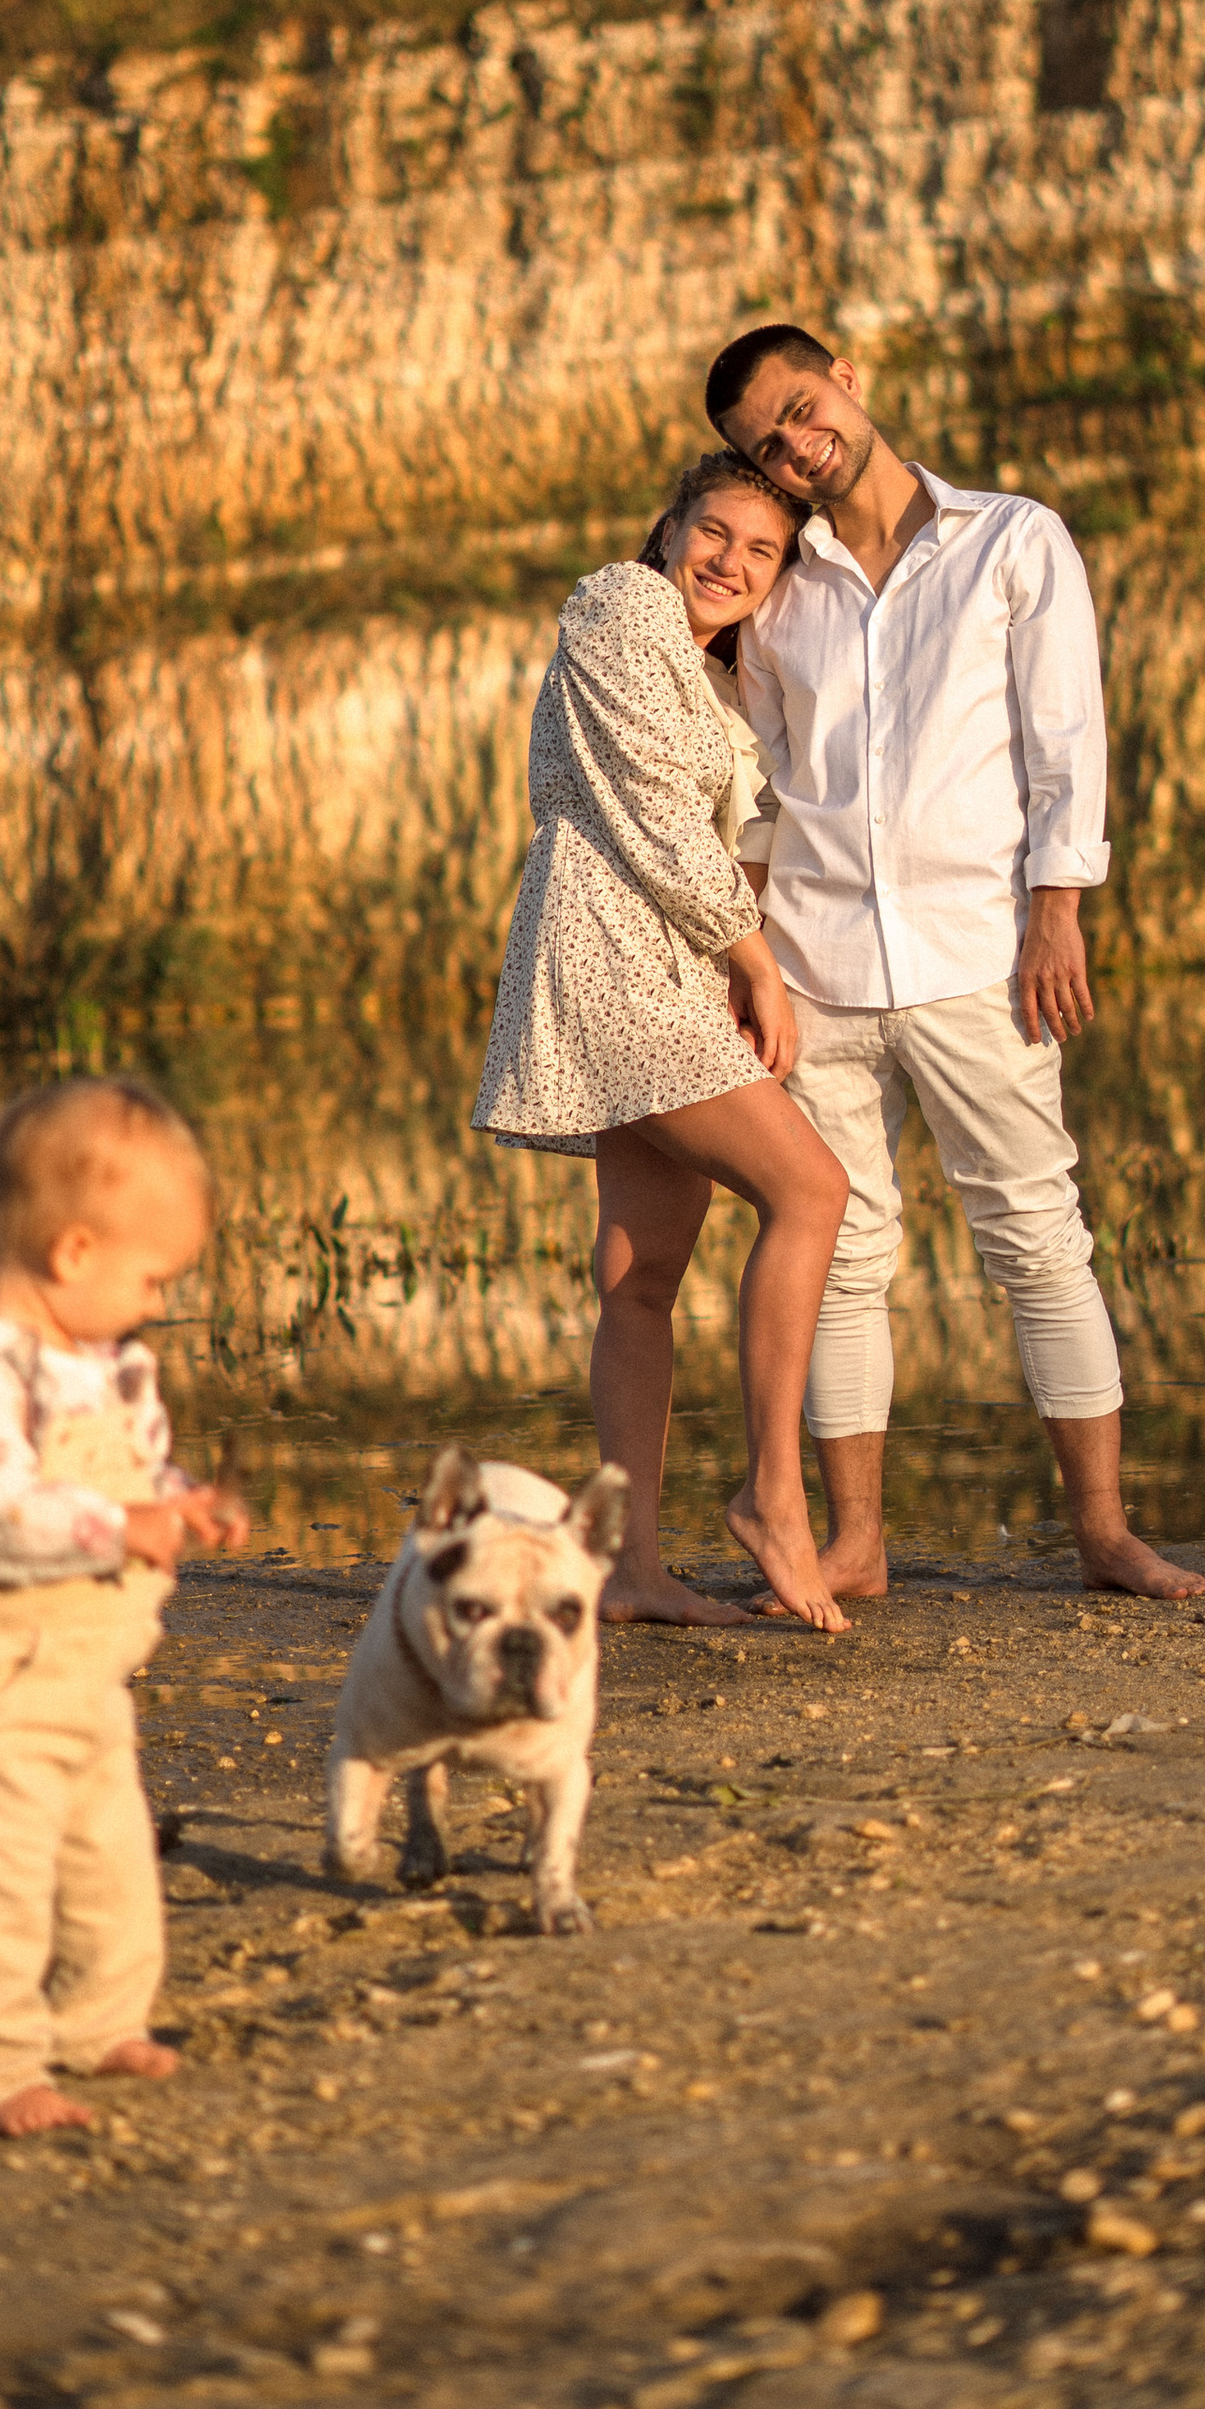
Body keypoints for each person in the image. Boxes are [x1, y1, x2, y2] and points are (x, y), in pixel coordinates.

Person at [706, 322, 1205, 1606]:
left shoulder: (1013, 540)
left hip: (981, 955)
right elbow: (761, 786)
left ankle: (1103, 1535)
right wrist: (746, 961)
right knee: (843, 1252)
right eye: (768, 444)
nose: (797, 446)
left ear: (847, 379)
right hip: (815, 966)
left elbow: (1064, 740)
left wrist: (1058, 909)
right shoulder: (781, 586)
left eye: (802, 407)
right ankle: (856, 1543)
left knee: (1036, 1234)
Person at [473, 454, 852, 1633]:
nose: (732, 563)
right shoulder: (621, 605)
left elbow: (739, 836)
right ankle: (773, 1498)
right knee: (811, 1190)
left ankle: (629, 1566)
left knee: (640, 1278)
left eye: (763, 552)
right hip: (610, 951)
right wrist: (757, 965)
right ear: (672, 527)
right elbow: (649, 812)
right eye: (716, 533)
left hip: (673, 963)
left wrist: (733, 965)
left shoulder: (715, 680)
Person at [0, 1076, 250, 2136]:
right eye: (152, 1278)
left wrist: (179, 1504)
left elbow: (135, 1479)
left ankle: (97, 2018)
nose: (157, 1303)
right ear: (75, 1252)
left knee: (109, 1863)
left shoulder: (108, 1370)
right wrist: (120, 1528)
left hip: (86, 1677)